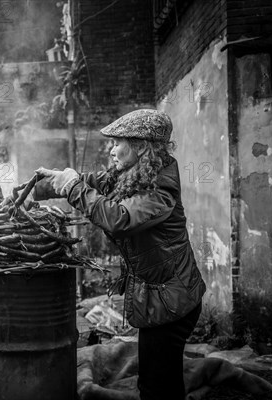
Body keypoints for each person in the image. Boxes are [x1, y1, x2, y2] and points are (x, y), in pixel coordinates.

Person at [31, 109, 206, 400]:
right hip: (161, 299)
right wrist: (46, 185)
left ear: (140, 146)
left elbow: (119, 218)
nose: (112, 151)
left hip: (174, 304)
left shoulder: (161, 189)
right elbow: (95, 181)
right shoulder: (133, 174)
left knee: (157, 386)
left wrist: (73, 187)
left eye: (117, 144)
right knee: (157, 380)